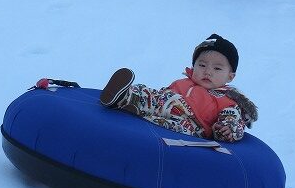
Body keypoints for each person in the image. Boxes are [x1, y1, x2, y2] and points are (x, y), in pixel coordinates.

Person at [99, 34, 257, 142]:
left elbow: (232, 118)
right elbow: (161, 94)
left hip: (192, 124)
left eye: (217, 68)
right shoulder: (182, 82)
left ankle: (138, 114)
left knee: (177, 126)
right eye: (202, 65)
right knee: (151, 96)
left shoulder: (227, 99)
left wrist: (228, 129)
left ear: (230, 76)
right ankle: (124, 96)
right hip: (165, 104)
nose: (208, 72)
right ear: (193, 66)